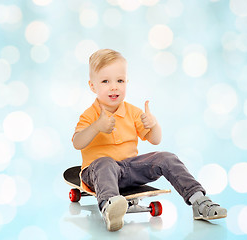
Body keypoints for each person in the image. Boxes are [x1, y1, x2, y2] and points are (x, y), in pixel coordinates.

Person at [72, 49, 227, 231]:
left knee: (166, 157)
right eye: (105, 81)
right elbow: (77, 142)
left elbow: (155, 140)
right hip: (97, 173)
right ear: (92, 86)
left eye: (120, 81)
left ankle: (199, 201)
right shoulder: (90, 115)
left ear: (126, 82)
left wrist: (153, 125)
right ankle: (109, 207)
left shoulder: (133, 112)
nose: (114, 87)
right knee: (105, 163)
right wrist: (96, 127)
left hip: (129, 169)